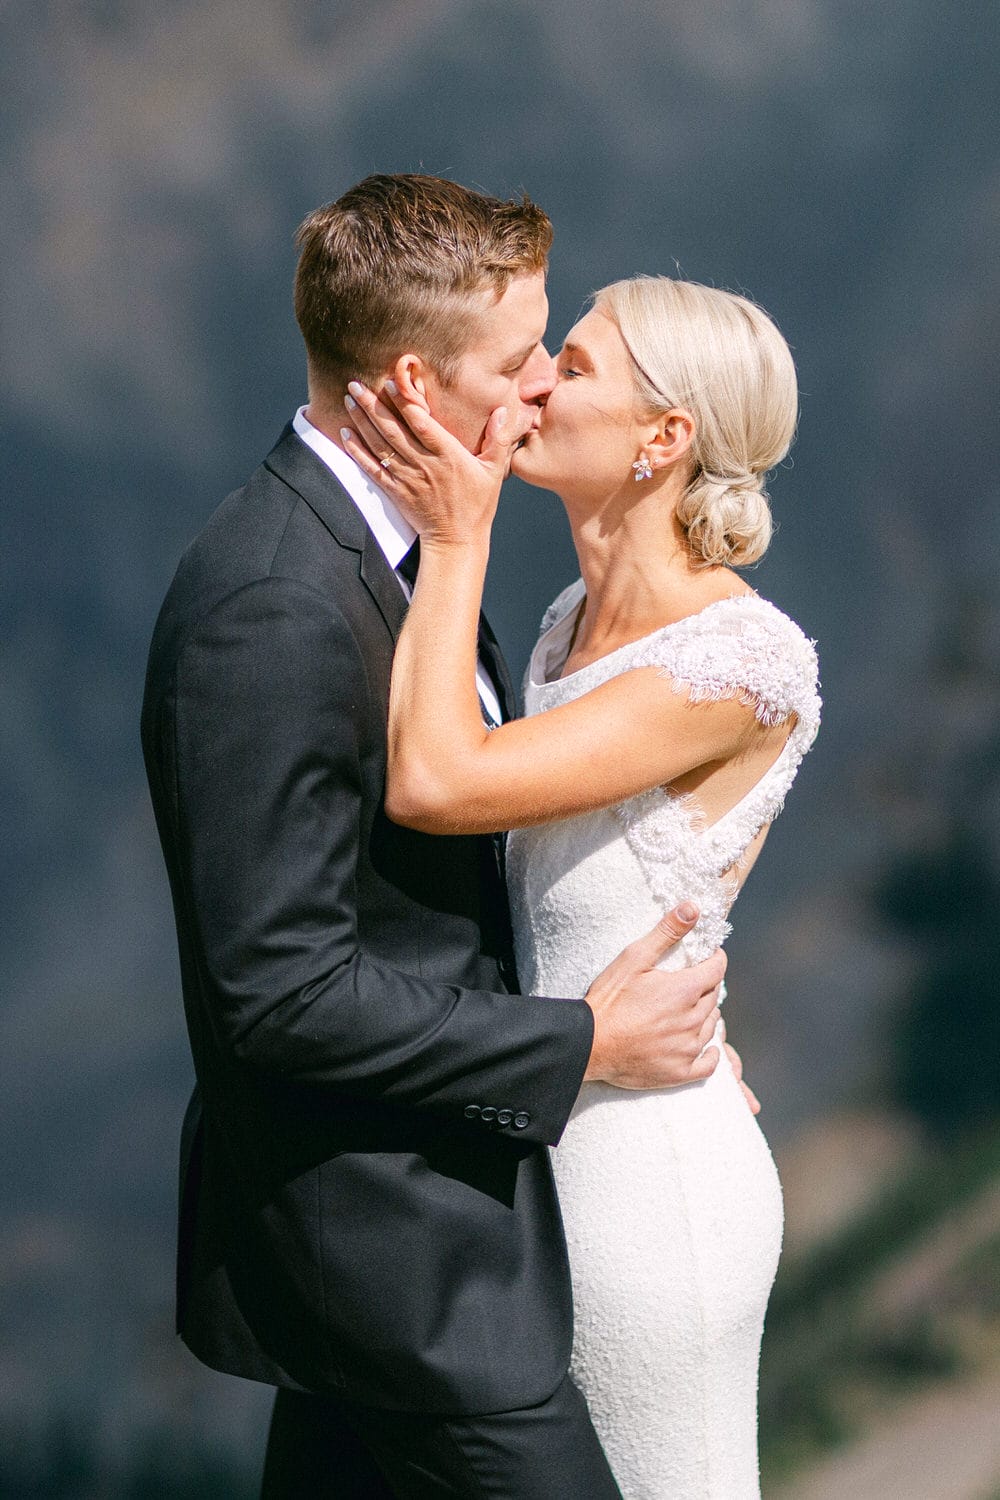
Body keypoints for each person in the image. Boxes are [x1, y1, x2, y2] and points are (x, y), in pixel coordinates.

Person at [140, 176, 743, 1500]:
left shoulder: (406, 560)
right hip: (397, 1260)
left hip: (432, 1243)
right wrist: (589, 1043)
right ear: (412, 384)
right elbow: (279, 994)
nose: (543, 387)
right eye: (520, 358)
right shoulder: (274, 605)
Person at [341, 272, 821, 1498]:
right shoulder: (562, 623)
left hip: (644, 1180)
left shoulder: (738, 658)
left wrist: (455, 536)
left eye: (581, 362)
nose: (540, 377)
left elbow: (441, 781)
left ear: (664, 439)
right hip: (554, 1132)